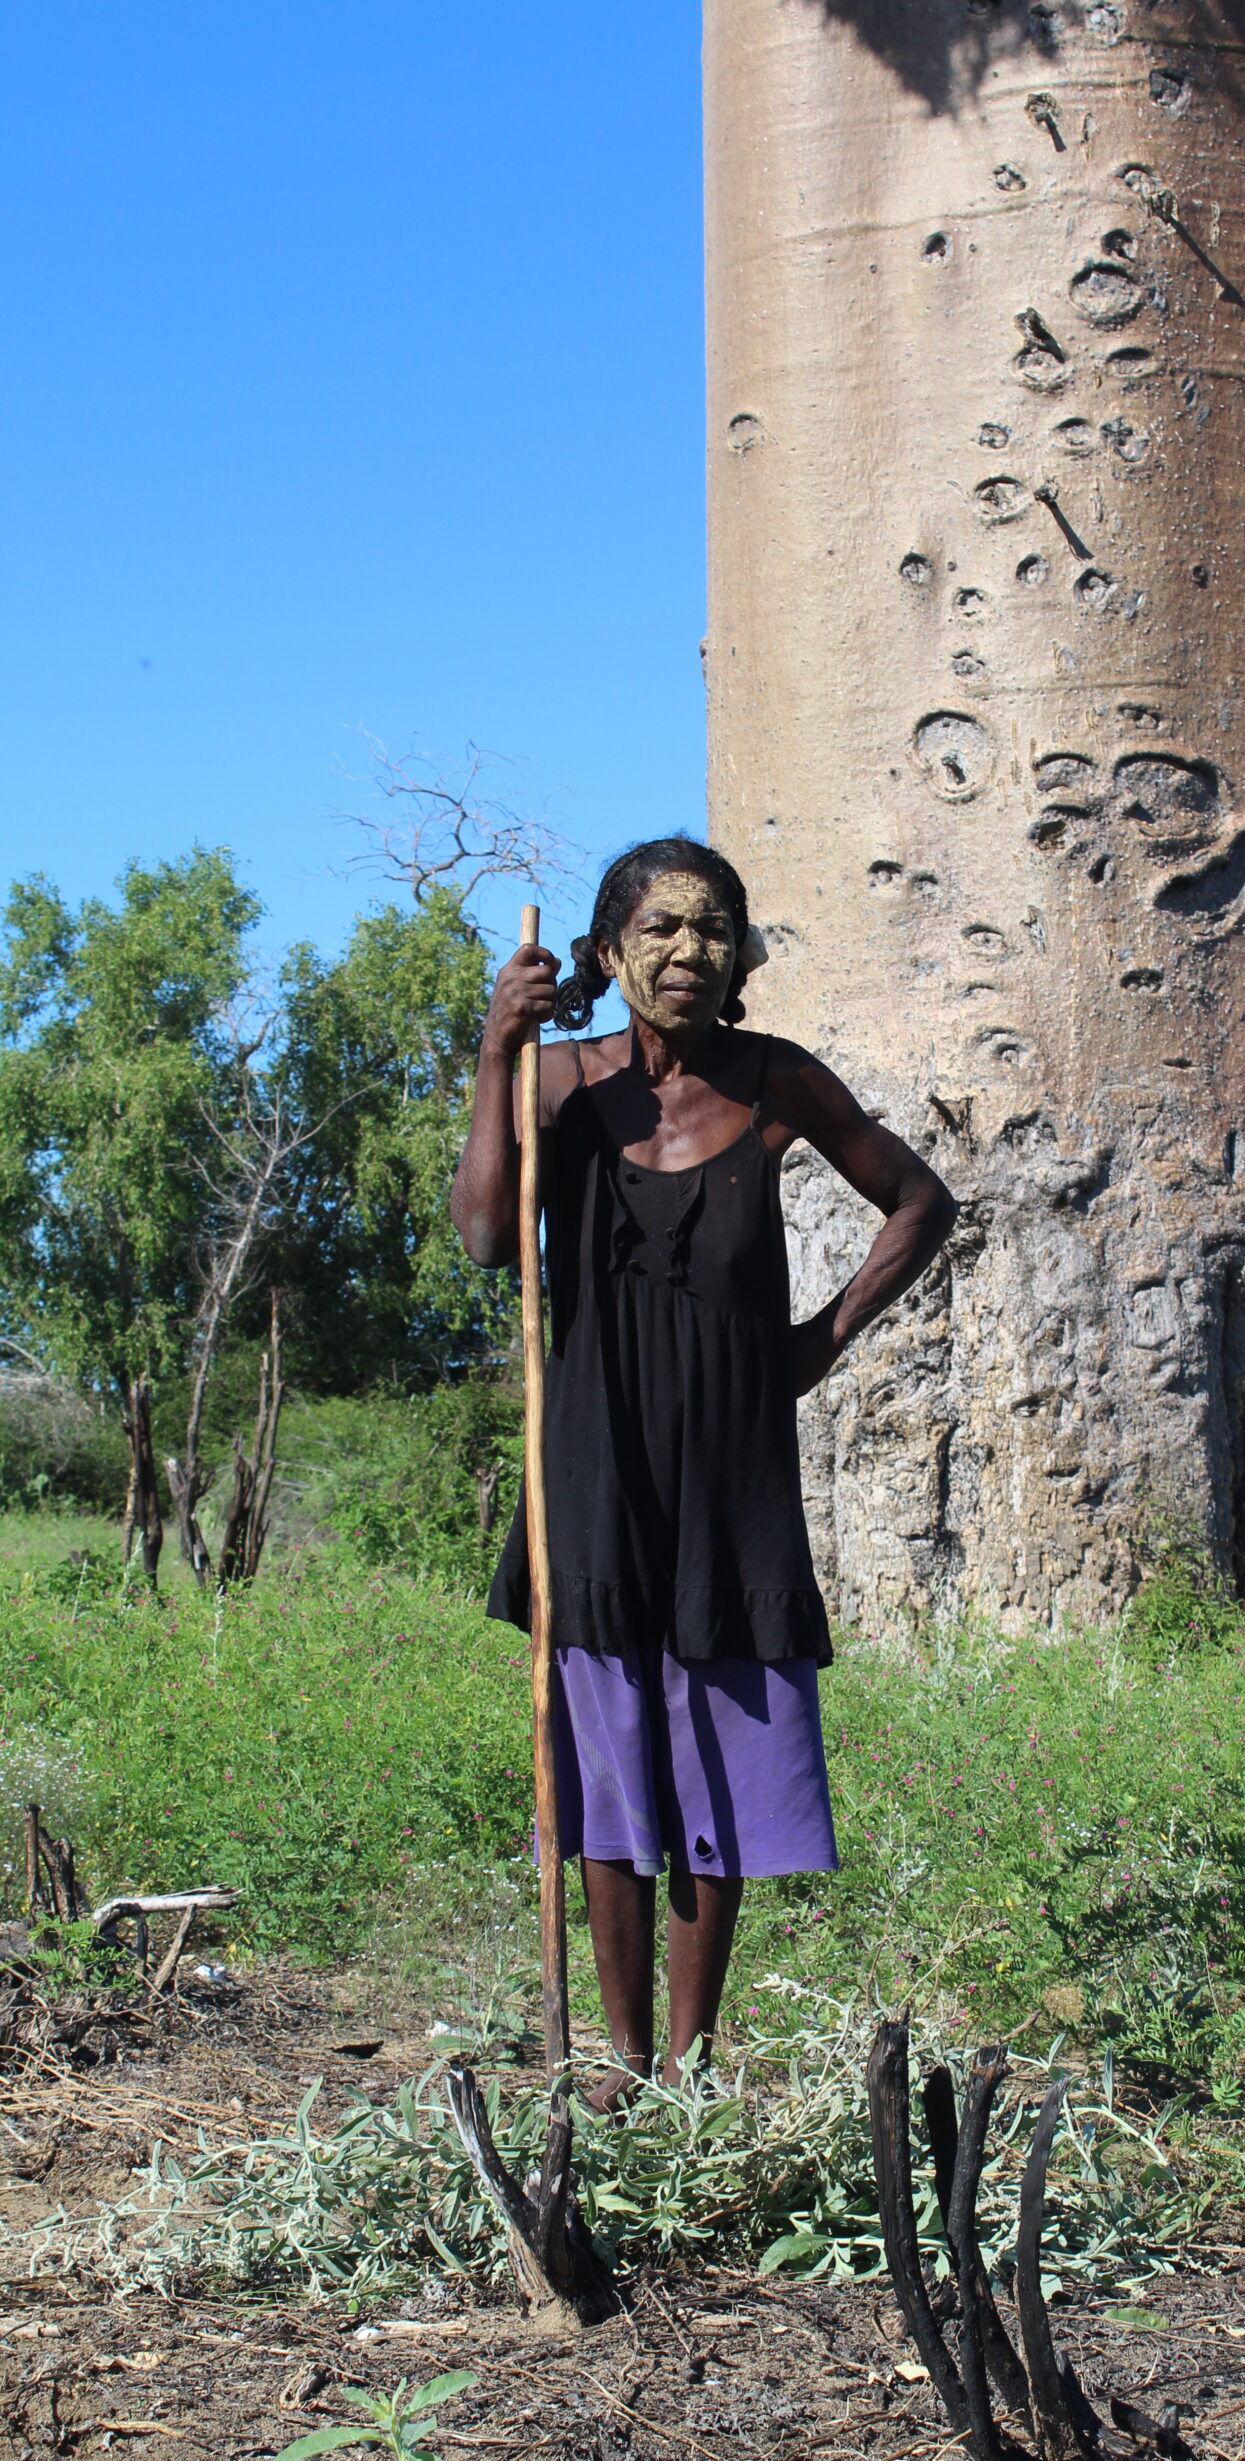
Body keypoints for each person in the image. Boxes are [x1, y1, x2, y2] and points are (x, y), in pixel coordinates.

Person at [450, 837, 956, 2107]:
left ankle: (693, 2058)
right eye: (661, 929)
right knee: (613, 1766)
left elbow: (920, 1202)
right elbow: (482, 1235)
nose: (689, 951)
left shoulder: (775, 1081)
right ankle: (620, 2066)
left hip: (733, 1465)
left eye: (715, 929)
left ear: (739, 958)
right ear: (607, 951)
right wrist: (494, 1056)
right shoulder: (563, 1085)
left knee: (713, 1764)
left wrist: (813, 1345)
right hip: (596, 1457)